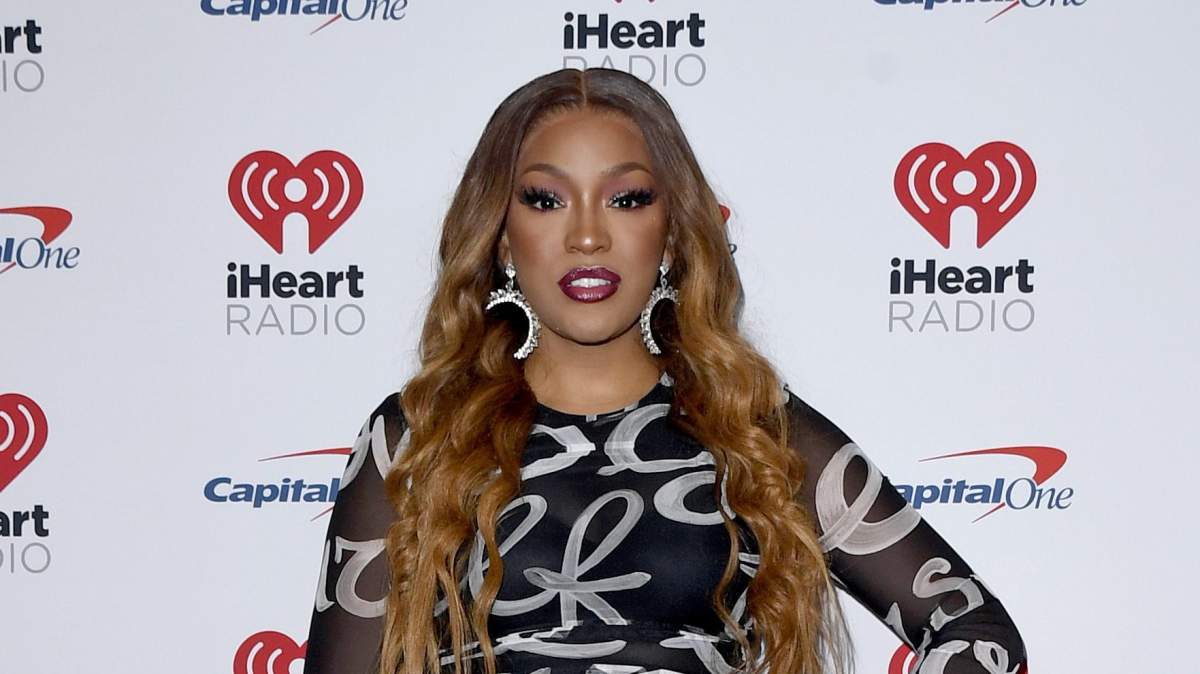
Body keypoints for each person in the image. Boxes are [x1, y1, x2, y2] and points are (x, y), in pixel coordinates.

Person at [302, 67, 1027, 674]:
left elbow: (976, 633)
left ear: (674, 232)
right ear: (499, 237)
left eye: (627, 199)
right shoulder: (416, 438)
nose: (588, 235)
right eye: (546, 200)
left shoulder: (753, 430)